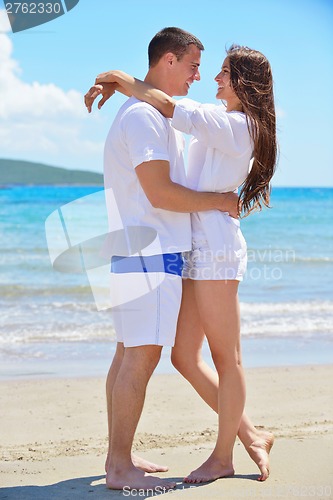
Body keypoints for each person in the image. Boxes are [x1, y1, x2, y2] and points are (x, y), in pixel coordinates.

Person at [85, 43, 277, 484]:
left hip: (215, 252)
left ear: (244, 81)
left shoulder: (239, 126)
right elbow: (167, 106)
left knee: (226, 358)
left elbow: (167, 103)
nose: (213, 78)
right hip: (192, 251)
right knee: (184, 356)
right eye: (206, 69)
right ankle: (253, 434)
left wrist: (117, 73)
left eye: (224, 72)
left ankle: (226, 454)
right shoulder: (218, 123)